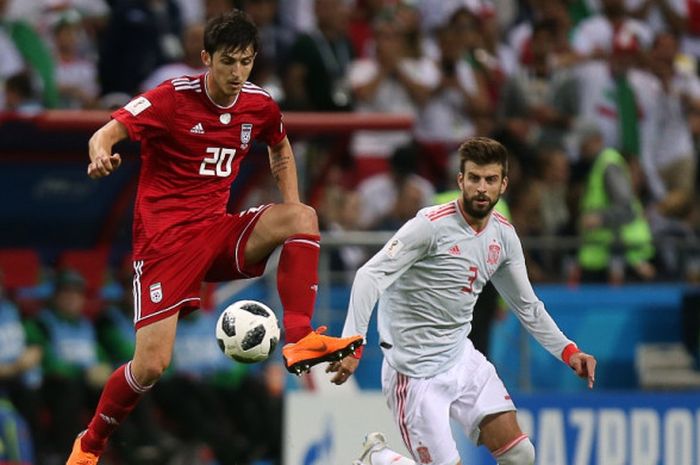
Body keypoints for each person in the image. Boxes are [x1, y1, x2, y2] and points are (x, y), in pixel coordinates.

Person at [66, 10, 362, 465]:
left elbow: (279, 147)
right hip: (165, 246)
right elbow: (106, 133)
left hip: (217, 231)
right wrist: (102, 153)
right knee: (151, 365)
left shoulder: (259, 104)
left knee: (302, 217)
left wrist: (288, 203)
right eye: (228, 62)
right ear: (206, 58)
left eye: (246, 62)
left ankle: (300, 338)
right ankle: (89, 445)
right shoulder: (171, 98)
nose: (237, 72)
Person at [328, 137, 597, 465]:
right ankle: (378, 459)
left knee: (521, 455)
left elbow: (527, 306)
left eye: (490, 180)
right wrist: (352, 345)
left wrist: (569, 351)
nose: (481, 188)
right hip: (414, 374)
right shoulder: (430, 226)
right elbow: (369, 276)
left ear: (503, 184)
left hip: (461, 359)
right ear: (461, 180)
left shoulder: (503, 236)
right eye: (474, 179)